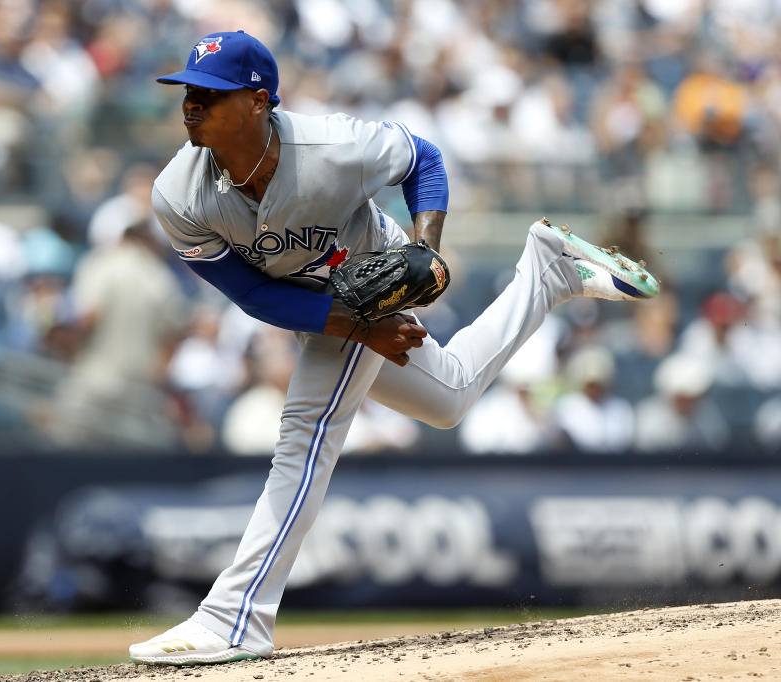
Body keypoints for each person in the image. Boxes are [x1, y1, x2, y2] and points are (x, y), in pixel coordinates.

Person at [129, 30, 659, 666]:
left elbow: (424, 158)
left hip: (369, 269)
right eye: (189, 91)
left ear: (259, 101)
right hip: (318, 308)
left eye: (211, 94)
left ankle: (236, 617)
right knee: (449, 398)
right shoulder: (178, 194)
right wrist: (358, 330)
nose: (192, 104)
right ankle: (548, 271)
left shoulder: (331, 146)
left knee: (307, 432)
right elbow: (252, 296)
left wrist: (427, 246)